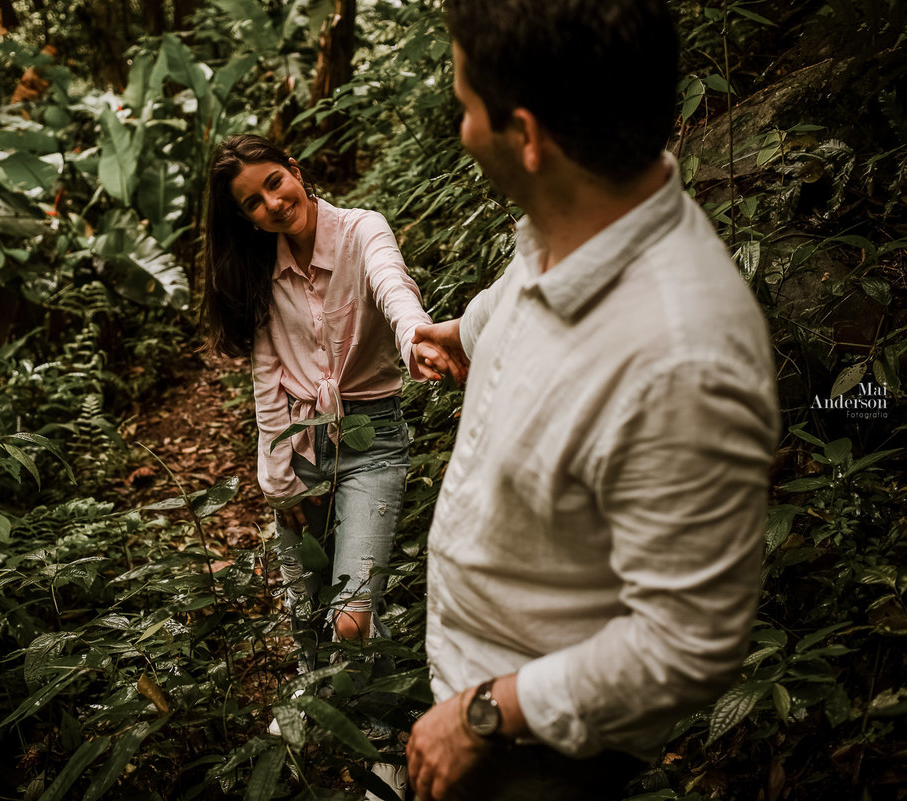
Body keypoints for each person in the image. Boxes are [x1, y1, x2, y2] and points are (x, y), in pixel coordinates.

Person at [406, 2, 780, 800]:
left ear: (527, 136)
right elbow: (529, 278)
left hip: (536, 753)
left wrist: (484, 712)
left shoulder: (682, 360)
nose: (462, 128)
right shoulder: (587, 209)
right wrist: (467, 333)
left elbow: (686, 641)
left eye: (466, 108)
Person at [200, 135, 459, 795]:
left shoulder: (360, 230)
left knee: (351, 611)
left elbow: (393, 287)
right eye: (252, 203)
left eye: (274, 182)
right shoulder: (260, 268)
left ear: (296, 170)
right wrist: (283, 486)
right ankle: (319, 707)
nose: (271, 203)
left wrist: (416, 339)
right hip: (299, 444)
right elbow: (267, 382)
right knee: (307, 610)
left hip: (373, 437)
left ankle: (385, 751)